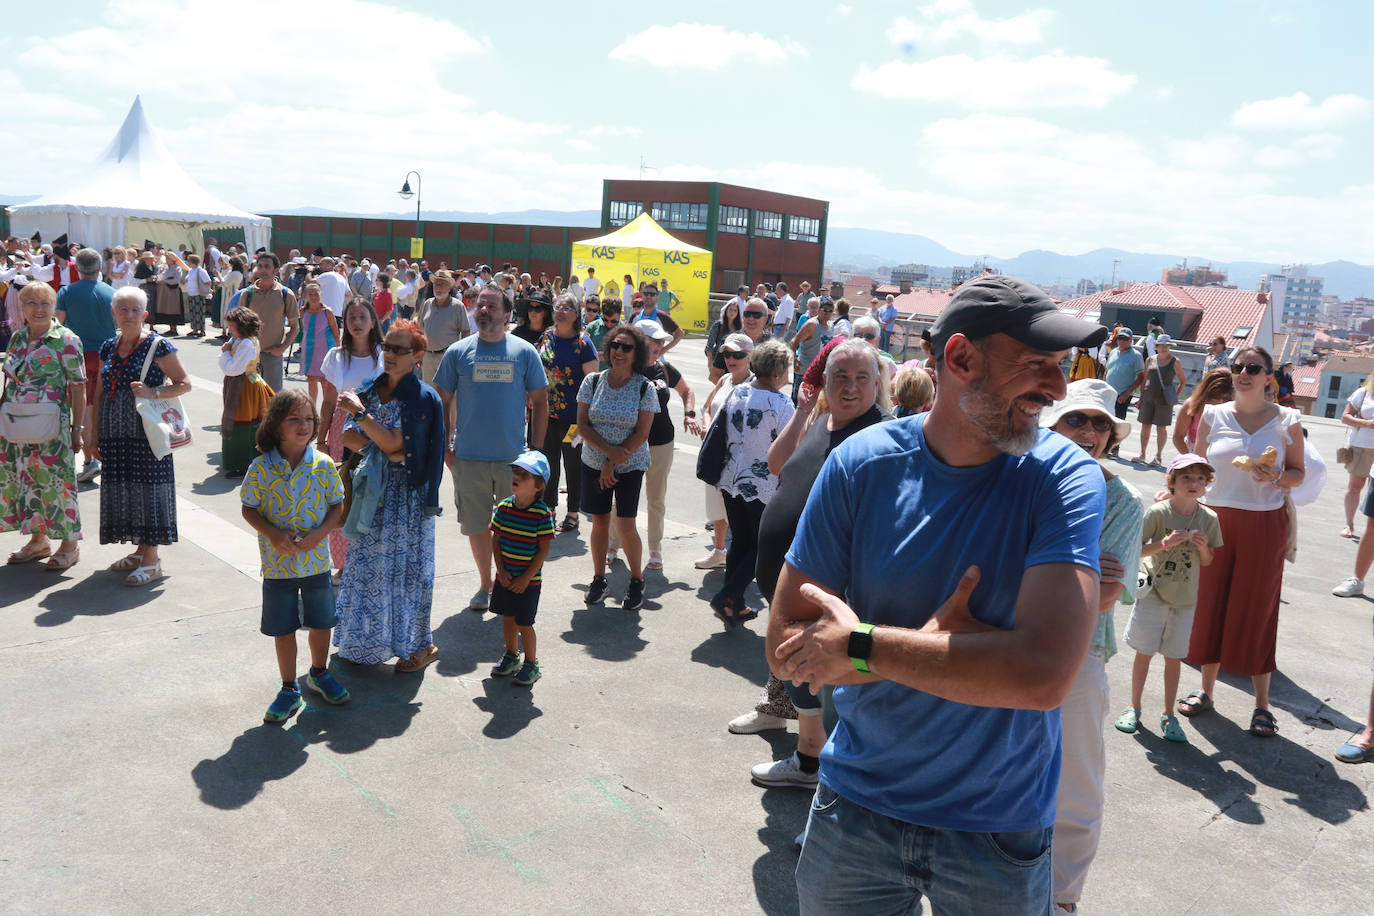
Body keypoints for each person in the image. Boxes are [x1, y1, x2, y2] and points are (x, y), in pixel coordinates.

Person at [770, 275, 1108, 913]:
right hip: (854, 812)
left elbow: (1042, 677)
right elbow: (787, 648)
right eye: (1036, 364)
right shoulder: (860, 466)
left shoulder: (1065, 479)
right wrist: (947, 654)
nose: (1058, 388)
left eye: (1061, 367)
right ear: (959, 359)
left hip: (998, 830)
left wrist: (863, 649)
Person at [749, 338, 889, 788]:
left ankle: (830, 803)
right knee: (801, 676)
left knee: (835, 696)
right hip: (789, 586)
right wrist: (807, 408)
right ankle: (808, 764)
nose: (849, 387)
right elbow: (776, 465)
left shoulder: (881, 437)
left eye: (860, 378)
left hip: (831, 593)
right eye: (839, 377)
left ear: (877, 383)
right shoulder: (820, 421)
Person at [1041, 379, 1144, 913]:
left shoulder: (1124, 500)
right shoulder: (1020, 481)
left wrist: (1041, 573)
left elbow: (1101, 599)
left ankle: (1061, 900)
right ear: (1052, 425)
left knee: (1075, 785)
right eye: (1077, 419)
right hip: (1005, 641)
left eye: (1101, 423)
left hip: (1081, 655)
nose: (1090, 431)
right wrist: (1078, 573)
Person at [1179, 346, 1304, 739]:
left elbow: (1299, 473)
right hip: (1215, 521)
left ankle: (1262, 705)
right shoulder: (1213, 415)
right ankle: (1205, 691)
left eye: (1253, 368)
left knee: (1257, 610)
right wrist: (1177, 496)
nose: (1243, 373)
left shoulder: (1287, 420)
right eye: (1237, 367)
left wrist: (1278, 478)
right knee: (1209, 607)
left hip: (1264, 523)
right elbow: (1195, 469)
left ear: (1270, 376)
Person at [333, 320, 446, 672]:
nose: (390, 354)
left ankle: (419, 647)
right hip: (372, 493)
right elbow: (350, 439)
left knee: (407, 573)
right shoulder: (371, 386)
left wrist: (364, 418)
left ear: (418, 356)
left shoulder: (422, 396)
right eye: (388, 347)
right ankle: (363, 644)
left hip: (407, 499)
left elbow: (397, 443)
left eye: (400, 349)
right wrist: (384, 445)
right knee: (368, 569)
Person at [435, 284, 549, 611]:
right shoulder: (458, 352)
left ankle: (512, 582)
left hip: (514, 461)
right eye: (480, 305)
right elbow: (440, 400)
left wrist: (536, 453)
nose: (483, 310)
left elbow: (540, 402)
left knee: (516, 527)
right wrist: (446, 447)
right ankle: (486, 583)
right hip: (468, 459)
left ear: (508, 315)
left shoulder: (525, 352)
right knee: (476, 525)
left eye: (492, 306)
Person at [239, 389, 350, 723]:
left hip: (316, 564)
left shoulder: (323, 463)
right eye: (294, 420)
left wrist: (321, 534)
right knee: (283, 628)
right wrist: (273, 534)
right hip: (278, 568)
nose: (304, 426)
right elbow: (249, 508)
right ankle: (289, 688)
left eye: (308, 420)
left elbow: (337, 504)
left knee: (320, 621)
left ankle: (319, 672)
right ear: (276, 426)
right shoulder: (261, 467)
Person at [1118, 454, 1222, 744]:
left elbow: (1210, 560)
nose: (1194, 483)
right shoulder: (1158, 513)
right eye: (1186, 477)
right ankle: (1134, 706)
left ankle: (1168, 714)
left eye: (1200, 479)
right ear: (1172, 483)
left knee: (1174, 658)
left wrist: (1202, 548)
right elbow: (1135, 550)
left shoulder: (1209, 518)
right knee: (1144, 652)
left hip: (1184, 599)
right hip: (1153, 595)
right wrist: (1165, 543)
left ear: (1206, 486)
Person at [93, 287, 192, 587]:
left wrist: (153, 392)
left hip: (147, 436)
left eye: (135, 309)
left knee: (148, 492)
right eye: (123, 309)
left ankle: (152, 560)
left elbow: (184, 383)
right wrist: (93, 432)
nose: (129, 314)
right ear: (114, 313)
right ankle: (139, 551)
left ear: (145, 314)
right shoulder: (108, 346)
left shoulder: (158, 346)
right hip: (115, 435)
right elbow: (98, 391)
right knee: (128, 490)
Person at [0, 281, 86, 570]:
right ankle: (39, 541)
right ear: (21, 307)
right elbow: (8, 380)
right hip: (16, 426)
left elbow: (78, 388)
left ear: (54, 307)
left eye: (44, 303)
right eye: (31, 303)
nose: (38, 309)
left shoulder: (67, 340)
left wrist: (78, 429)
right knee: (27, 481)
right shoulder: (17, 338)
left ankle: (69, 546)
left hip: (53, 429)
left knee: (59, 485)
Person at [710, 338, 795, 624]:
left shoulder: (737, 392)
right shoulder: (781, 403)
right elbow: (790, 448)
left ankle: (733, 602)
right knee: (762, 545)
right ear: (779, 370)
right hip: (762, 485)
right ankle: (730, 595)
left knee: (741, 541)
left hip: (731, 479)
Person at [575, 323, 659, 609]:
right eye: (615, 345)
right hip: (592, 463)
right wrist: (606, 455)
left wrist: (612, 460)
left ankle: (637, 580)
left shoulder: (645, 388)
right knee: (599, 522)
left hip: (629, 465)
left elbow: (642, 434)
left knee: (625, 524)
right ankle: (599, 578)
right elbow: (583, 426)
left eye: (627, 347)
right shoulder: (593, 381)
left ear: (638, 353)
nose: (619, 352)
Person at [607, 320, 698, 571]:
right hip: (628, 444)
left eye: (661, 341)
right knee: (622, 498)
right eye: (654, 341)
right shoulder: (623, 369)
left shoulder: (664, 368)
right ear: (637, 341)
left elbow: (687, 390)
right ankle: (613, 545)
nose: (660, 345)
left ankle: (655, 549)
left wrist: (689, 413)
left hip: (661, 442)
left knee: (656, 498)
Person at [318, 298, 384, 582]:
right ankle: (344, 564)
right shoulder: (336, 356)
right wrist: (321, 438)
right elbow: (329, 401)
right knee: (343, 491)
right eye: (351, 317)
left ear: (373, 322)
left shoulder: (384, 355)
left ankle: (370, 559)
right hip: (342, 429)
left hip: (376, 428)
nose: (357, 322)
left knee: (372, 491)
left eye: (362, 317)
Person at [489, 450, 557, 687]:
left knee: (524, 623)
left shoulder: (542, 514)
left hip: (528, 582)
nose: (516, 476)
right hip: (505, 579)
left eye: (524, 475)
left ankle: (531, 663)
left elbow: (543, 550)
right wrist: (501, 571)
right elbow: (495, 540)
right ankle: (511, 655)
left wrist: (526, 578)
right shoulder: (505, 507)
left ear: (539, 486)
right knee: (507, 618)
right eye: (515, 472)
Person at [533, 292, 599, 535]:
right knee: (548, 463)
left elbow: (593, 382)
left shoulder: (583, 343)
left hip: (574, 419)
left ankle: (572, 513)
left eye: (566, 308)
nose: (559, 311)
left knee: (573, 465)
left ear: (576, 315)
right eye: (557, 306)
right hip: (546, 414)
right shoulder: (546, 336)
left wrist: (588, 420)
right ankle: (548, 509)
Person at [694, 333, 755, 572]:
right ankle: (720, 551)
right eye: (727, 354)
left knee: (739, 508)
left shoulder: (755, 384)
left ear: (749, 357)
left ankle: (745, 557)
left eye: (738, 355)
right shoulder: (725, 380)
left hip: (740, 456)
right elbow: (707, 407)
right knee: (717, 506)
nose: (731, 358)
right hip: (717, 452)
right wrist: (706, 423)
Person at [54, 248, 115, 483]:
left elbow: (57, 325)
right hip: (107, 355)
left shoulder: (66, 292)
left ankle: (91, 461)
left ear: (77, 268)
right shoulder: (111, 291)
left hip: (76, 355)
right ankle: (103, 457)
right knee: (101, 408)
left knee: (85, 408)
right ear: (99, 268)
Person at [218, 306, 275, 477]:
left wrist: (224, 354)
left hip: (244, 387)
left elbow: (233, 368)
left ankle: (243, 463)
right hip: (243, 383)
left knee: (242, 423)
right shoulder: (241, 340)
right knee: (246, 422)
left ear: (241, 326)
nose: (229, 330)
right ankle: (243, 461)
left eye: (231, 327)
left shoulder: (246, 344)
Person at [240, 253, 299, 394]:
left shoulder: (286, 294)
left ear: (276, 271)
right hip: (250, 356)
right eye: (260, 266)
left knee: (273, 399)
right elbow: (238, 326)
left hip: (273, 357)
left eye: (267, 266)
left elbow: (295, 328)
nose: (263, 270)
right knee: (250, 399)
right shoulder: (247, 294)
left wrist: (281, 349)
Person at [1133, 333, 1185, 467]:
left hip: (1164, 400)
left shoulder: (1175, 362)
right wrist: (1141, 398)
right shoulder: (1150, 360)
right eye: (1161, 345)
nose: (1164, 348)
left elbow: (1182, 381)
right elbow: (1145, 379)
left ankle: (1158, 456)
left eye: (1167, 346)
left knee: (1161, 428)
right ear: (1156, 346)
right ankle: (1142, 454)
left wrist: (1174, 397)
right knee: (1145, 426)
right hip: (1148, 398)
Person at [416, 269, 470, 385]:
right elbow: (420, 331)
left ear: (449, 287)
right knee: (429, 393)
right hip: (428, 357)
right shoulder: (427, 304)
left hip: (447, 357)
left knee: (446, 394)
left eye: (442, 284)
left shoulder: (457, 306)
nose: (438, 287)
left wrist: (461, 357)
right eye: (436, 284)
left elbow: (466, 332)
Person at [1339, 369, 1374, 539]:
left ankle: (1371, 529)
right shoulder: (1364, 393)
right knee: (1355, 487)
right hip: (1361, 447)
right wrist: (1367, 423)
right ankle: (1349, 525)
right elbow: (1345, 417)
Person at [298, 282, 340, 413]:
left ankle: (326, 412)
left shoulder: (327, 312)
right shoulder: (303, 311)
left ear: (320, 295)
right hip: (309, 349)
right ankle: (312, 412)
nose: (314, 297)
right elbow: (303, 329)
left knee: (325, 381)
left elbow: (335, 331)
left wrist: (337, 350)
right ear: (305, 296)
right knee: (311, 379)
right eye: (310, 294)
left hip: (325, 349)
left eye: (316, 294)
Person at [1171, 368, 1233, 457]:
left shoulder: (1235, 408)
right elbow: (1178, 437)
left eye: (1226, 399)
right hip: (1196, 457)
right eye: (1215, 397)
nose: (1220, 402)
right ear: (1206, 392)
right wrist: (1192, 460)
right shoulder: (1191, 404)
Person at [790, 296, 835, 404]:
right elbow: (794, 342)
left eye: (830, 311)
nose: (827, 313)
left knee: (815, 404)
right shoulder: (812, 324)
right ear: (819, 310)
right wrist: (795, 360)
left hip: (821, 372)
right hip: (805, 370)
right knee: (798, 402)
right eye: (825, 310)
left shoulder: (831, 326)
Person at [1104, 328, 1145, 427]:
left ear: (1131, 340)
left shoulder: (1136, 356)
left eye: (1125, 339)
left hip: (1122, 395)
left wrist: (1127, 394)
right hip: (1109, 393)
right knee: (1105, 421)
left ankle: (1115, 443)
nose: (1121, 341)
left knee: (1117, 424)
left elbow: (1140, 378)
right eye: (1120, 338)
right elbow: (1107, 370)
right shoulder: (1113, 352)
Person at [705, 296, 743, 383]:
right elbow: (709, 345)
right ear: (726, 310)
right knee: (719, 383)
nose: (732, 312)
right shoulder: (718, 325)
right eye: (730, 309)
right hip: (719, 359)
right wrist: (710, 362)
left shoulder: (739, 328)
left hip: (734, 360)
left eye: (735, 310)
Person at [633, 285, 683, 351]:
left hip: (654, 360)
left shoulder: (662, 316)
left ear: (657, 298)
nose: (648, 296)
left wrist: (662, 351)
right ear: (642, 296)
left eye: (652, 294)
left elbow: (680, 333)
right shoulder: (635, 316)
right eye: (646, 294)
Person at [153, 251, 186, 335]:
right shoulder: (164, 267)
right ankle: (170, 328)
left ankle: (174, 328)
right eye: (166, 258)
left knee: (173, 308)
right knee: (167, 308)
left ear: (173, 260)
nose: (167, 260)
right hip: (165, 291)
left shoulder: (177, 268)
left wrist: (166, 281)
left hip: (173, 291)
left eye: (168, 259)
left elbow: (177, 279)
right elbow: (159, 275)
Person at [585, 295, 621, 371]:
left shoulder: (625, 331)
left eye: (613, 321)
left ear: (620, 314)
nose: (609, 324)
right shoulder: (592, 327)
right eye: (605, 320)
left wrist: (607, 356)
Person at [184, 253, 212, 337]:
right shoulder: (191, 270)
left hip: (198, 294)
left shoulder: (201, 270)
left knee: (199, 312)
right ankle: (195, 329)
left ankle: (202, 330)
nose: (188, 262)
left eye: (189, 261)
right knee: (193, 312)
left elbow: (208, 281)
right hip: (191, 294)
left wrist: (205, 290)